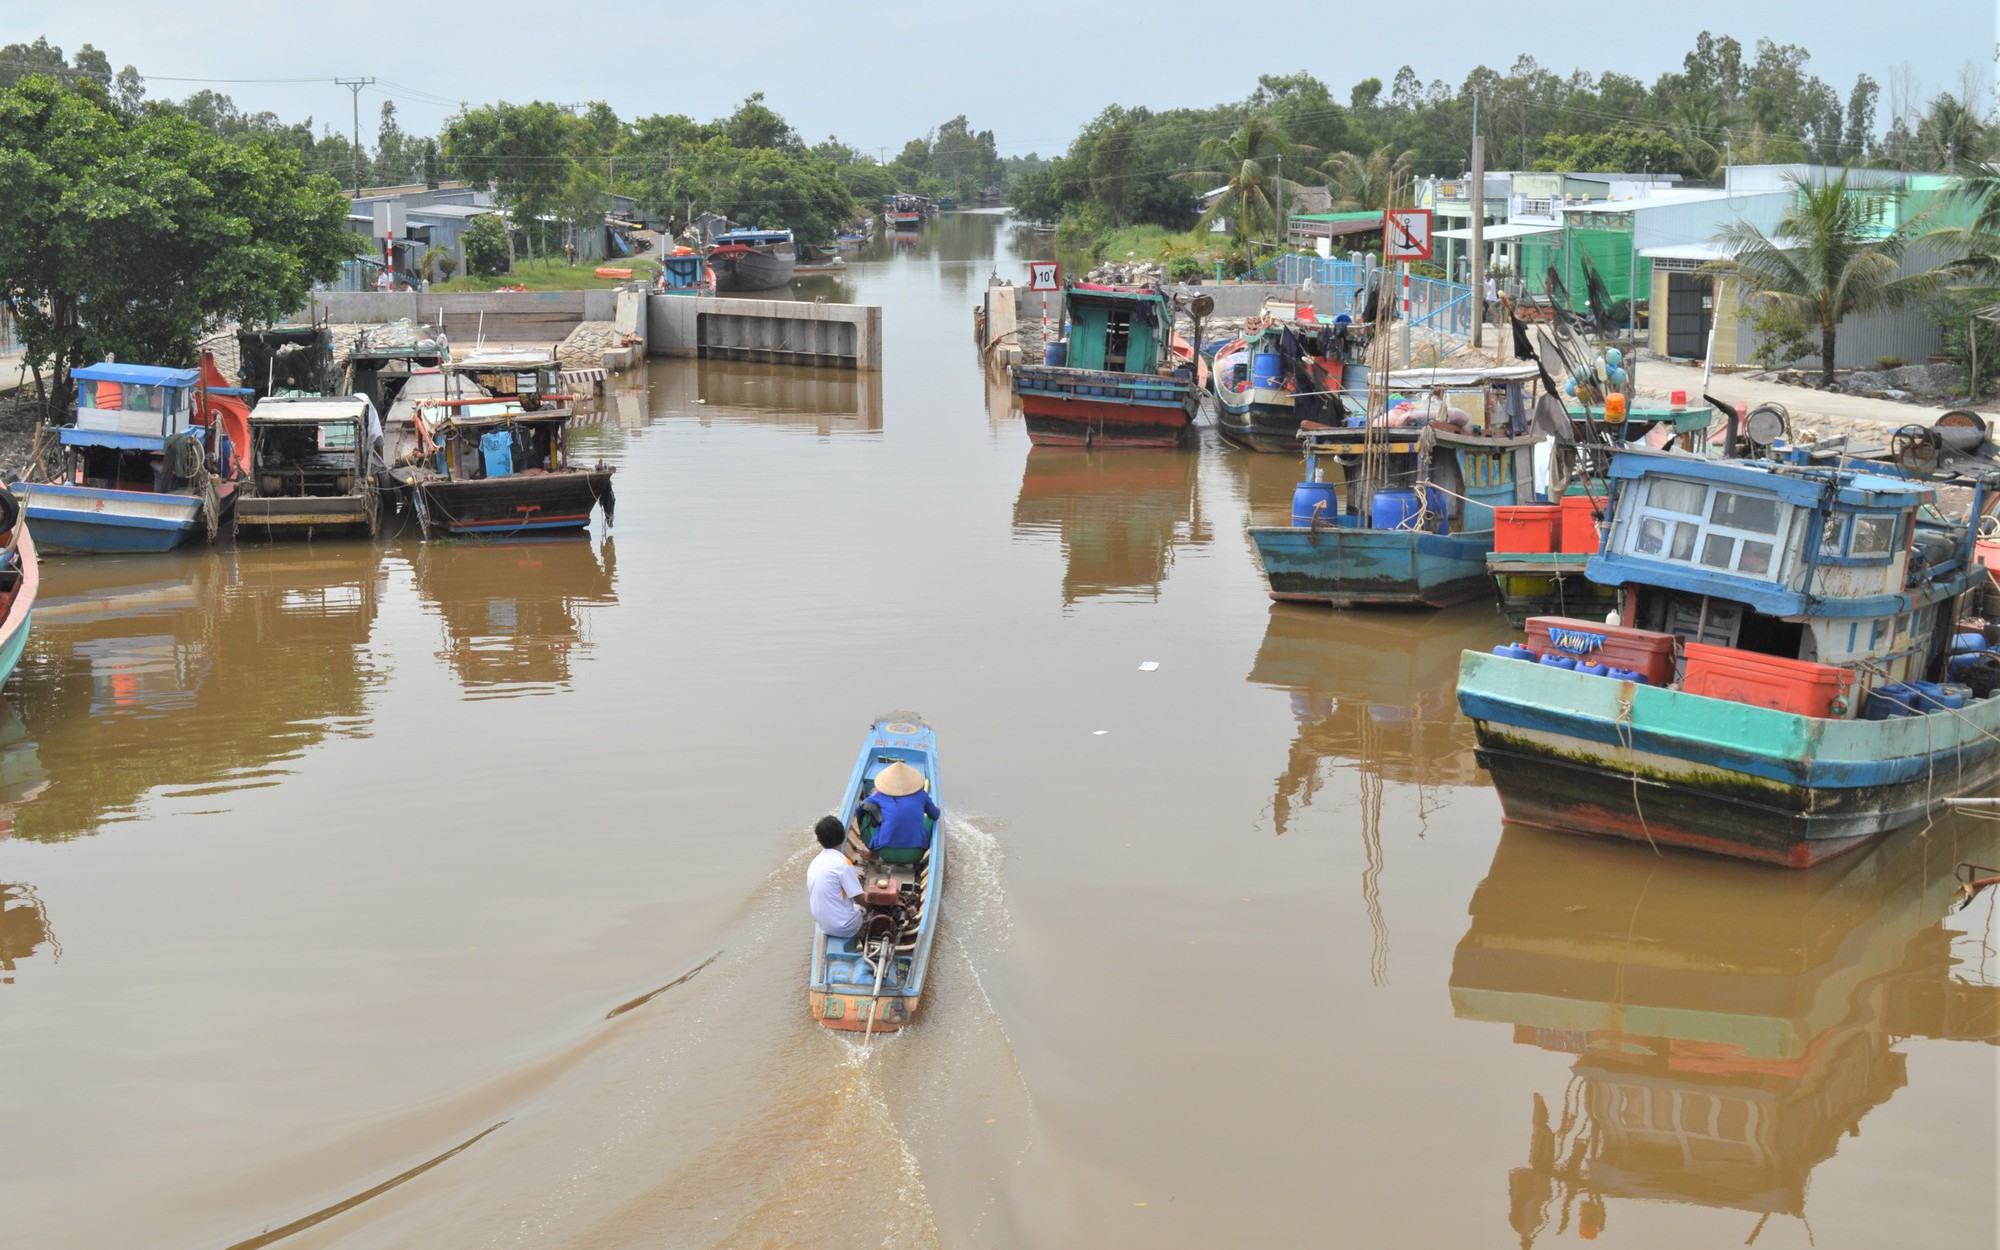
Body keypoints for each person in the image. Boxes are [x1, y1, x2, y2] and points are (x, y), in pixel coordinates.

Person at [856, 760, 938, 865]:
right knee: (930, 818)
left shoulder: (880, 796)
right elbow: (935, 815)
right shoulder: (922, 795)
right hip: (915, 854)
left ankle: (873, 853)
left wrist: (873, 795)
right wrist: (937, 808)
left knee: (866, 813)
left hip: (885, 853)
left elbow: (859, 808)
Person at [807, 816, 863, 939]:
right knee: (864, 911)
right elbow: (859, 898)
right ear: (843, 835)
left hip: (824, 927)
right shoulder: (843, 864)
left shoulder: (815, 862)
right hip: (845, 927)